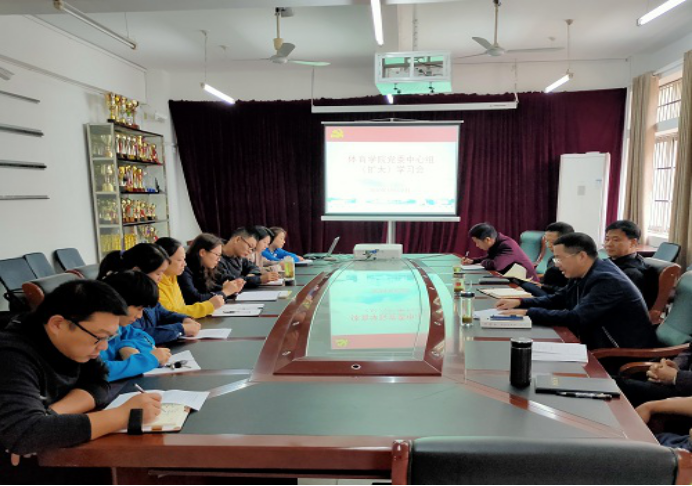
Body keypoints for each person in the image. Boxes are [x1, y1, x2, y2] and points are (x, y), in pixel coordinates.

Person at [0, 280, 162, 483]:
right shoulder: (10, 355)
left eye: (109, 338)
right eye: (99, 337)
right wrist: (124, 415)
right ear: (57, 324)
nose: (103, 347)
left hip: (48, 454)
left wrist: (52, 414)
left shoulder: (75, 344)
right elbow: (25, 433)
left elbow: (98, 382)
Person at [496, 232, 656, 351]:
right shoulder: (584, 272)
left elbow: (577, 318)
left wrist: (528, 313)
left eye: (559, 258)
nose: (556, 264)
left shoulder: (607, 280)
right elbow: (558, 299)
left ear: (581, 256)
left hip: (618, 351)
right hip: (594, 340)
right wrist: (520, 302)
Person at [98, 243, 201, 344]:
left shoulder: (146, 293)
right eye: (158, 273)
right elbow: (137, 336)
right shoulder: (124, 299)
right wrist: (180, 328)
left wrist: (184, 319)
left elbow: (162, 312)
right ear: (138, 271)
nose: (161, 278)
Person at [100, 271, 172, 382]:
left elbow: (144, 337)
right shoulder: (91, 333)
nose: (140, 316)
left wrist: (126, 345)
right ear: (119, 303)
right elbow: (97, 372)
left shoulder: (120, 326)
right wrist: (150, 359)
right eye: (139, 309)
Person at [157, 237, 236, 319]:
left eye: (184, 259)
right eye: (179, 260)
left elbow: (181, 308)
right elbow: (170, 314)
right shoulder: (156, 283)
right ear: (163, 260)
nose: (184, 264)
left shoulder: (172, 277)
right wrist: (209, 305)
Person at [179, 233, 245, 305]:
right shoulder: (184, 269)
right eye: (217, 255)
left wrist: (236, 285)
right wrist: (225, 292)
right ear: (202, 252)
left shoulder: (207, 266)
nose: (218, 259)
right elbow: (194, 299)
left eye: (220, 256)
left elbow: (223, 279)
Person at [604, 220, 657, 308]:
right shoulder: (609, 263)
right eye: (607, 239)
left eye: (616, 240)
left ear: (633, 243)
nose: (609, 244)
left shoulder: (631, 273)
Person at [618, 345, 692, 408]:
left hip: (685, 399)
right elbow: (688, 352)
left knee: (620, 387)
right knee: (617, 385)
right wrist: (667, 368)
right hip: (680, 383)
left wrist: (676, 376)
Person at [462, 223, 539, 282]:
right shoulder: (497, 242)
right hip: (511, 279)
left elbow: (497, 266)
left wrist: (482, 263)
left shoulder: (507, 245)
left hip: (526, 284)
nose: (477, 245)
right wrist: (474, 261)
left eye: (477, 242)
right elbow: (491, 257)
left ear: (487, 240)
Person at [541, 222, 575, 294]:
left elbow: (572, 292)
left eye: (553, 242)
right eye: (547, 241)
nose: (548, 245)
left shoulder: (576, 264)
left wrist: (544, 287)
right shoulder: (552, 259)